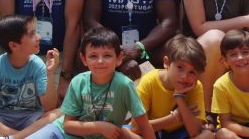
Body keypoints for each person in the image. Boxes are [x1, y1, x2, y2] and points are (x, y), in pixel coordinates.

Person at [26, 26, 155, 139]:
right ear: (84, 59)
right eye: (93, 56)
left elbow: (144, 125)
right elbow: (67, 125)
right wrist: (98, 126)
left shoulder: (124, 85)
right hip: (62, 134)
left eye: (107, 55)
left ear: (119, 58)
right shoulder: (78, 82)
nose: (100, 61)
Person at [0, 15, 61, 139]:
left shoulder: (37, 65)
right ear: (14, 45)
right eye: (32, 34)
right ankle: (22, 136)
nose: (39, 37)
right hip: (1, 119)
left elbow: (49, 107)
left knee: (60, 112)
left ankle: (12, 137)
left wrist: (50, 74)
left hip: (31, 118)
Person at [136, 35, 213, 139]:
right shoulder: (149, 81)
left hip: (180, 133)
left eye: (192, 72)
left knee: (208, 135)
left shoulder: (195, 86)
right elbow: (137, 128)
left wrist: (179, 97)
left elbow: (195, 132)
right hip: (153, 133)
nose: (184, 77)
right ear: (166, 62)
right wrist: (175, 117)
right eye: (180, 68)